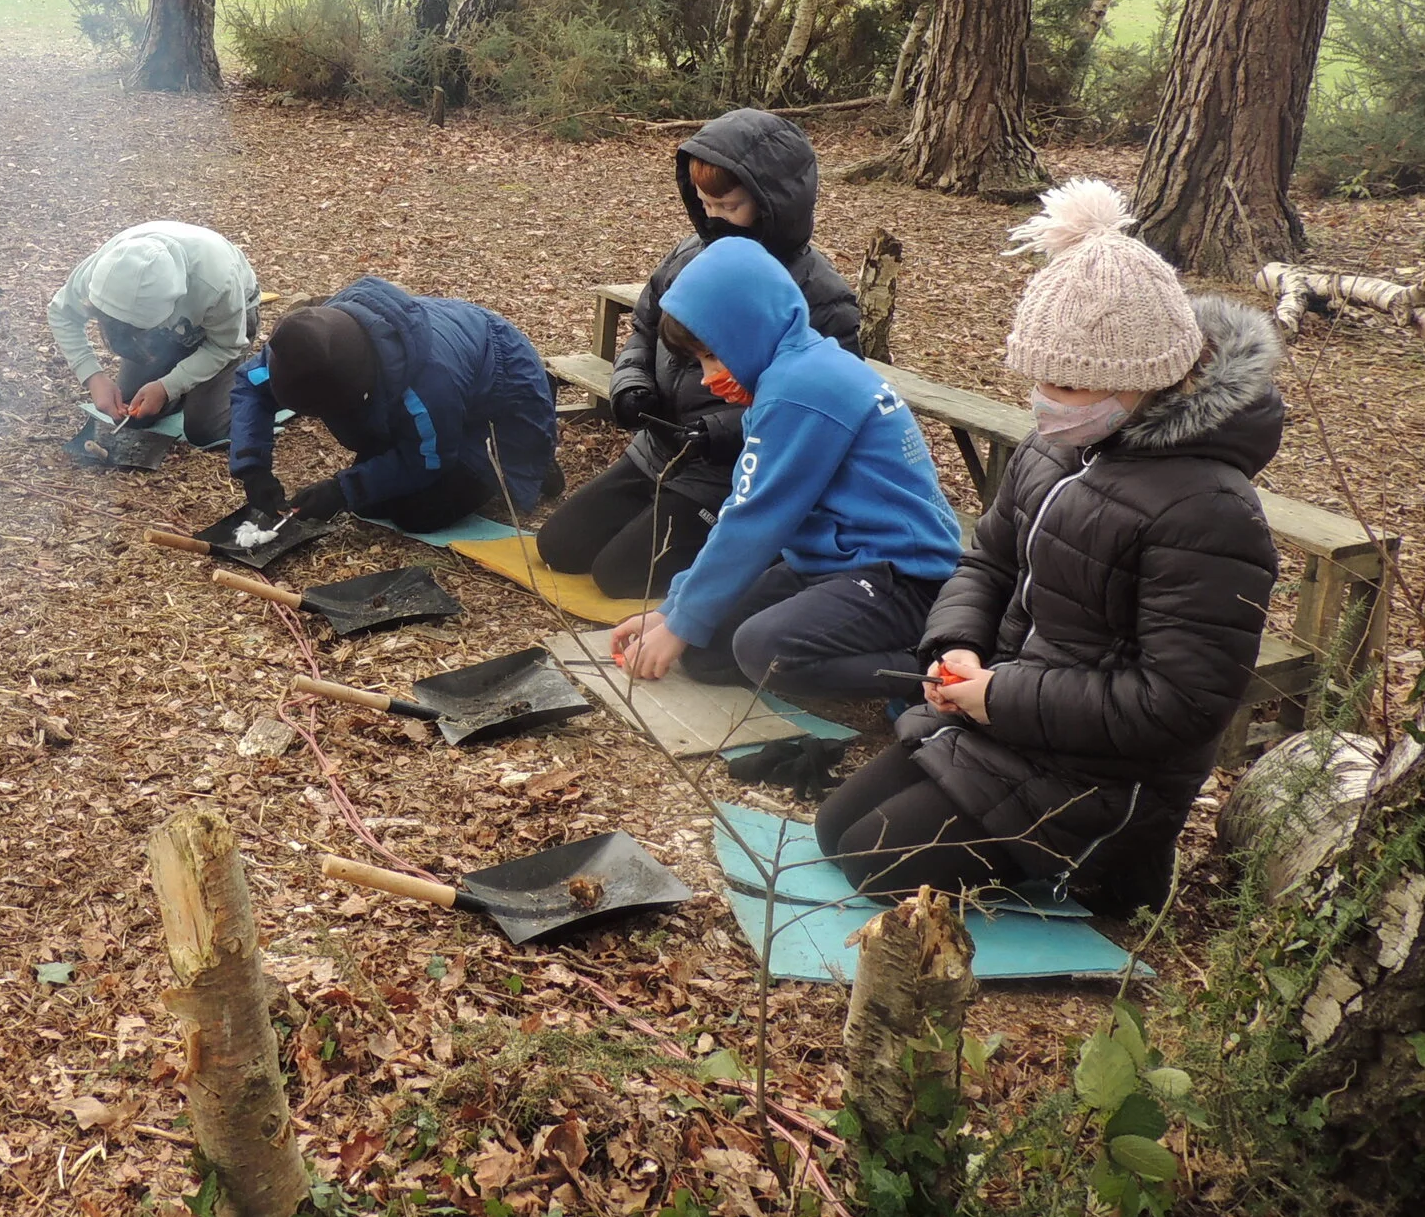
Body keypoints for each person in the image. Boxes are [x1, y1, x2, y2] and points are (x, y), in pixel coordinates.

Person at [815, 180, 1282, 915]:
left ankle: (1117, 873)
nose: (1045, 399)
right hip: (1005, 725)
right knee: (834, 830)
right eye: (1040, 376)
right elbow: (988, 560)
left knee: (874, 860)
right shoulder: (1057, 447)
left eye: (1067, 383)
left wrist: (999, 697)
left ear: (1143, 380)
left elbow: (1179, 703)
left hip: (1101, 778)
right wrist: (958, 645)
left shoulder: (1212, 512)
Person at [607, 238, 961, 696]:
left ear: (749, 329)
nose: (708, 378)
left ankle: (927, 669)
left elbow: (754, 519)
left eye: (713, 355)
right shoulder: (790, 371)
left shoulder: (801, 388)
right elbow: (743, 506)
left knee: (763, 651)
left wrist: (678, 625)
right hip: (831, 561)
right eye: (699, 362)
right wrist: (672, 612)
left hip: (901, 576)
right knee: (707, 651)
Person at [541, 108, 862, 599]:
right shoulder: (691, 254)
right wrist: (631, 384)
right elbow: (646, 329)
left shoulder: (819, 294)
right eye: (705, 202)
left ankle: (766, 549)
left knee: (617, 575)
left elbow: (824, 407)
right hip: (660, 449)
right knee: (559, 547)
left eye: (728, 205)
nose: (713, 216)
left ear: (773, 202)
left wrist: (720, 433)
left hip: (731, 472)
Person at [230, 278, 560, 533]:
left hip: (505, 396)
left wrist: (342, 490)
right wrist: (253, 469)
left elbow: (428, 459)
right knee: (371, 504)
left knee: (417, 514)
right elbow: (250, 387)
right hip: (447, 376)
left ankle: (535, 455)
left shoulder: (429, 387)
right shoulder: (305, 344)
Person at [47, 221, 259, 448]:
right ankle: (190, 386)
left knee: (206, 430)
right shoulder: (104, 270)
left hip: (228, 325)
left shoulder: (217, 282)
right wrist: (93, 377)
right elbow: (61, 313)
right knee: (132, 412)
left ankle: (255, 380)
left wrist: (168, 387)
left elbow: (225, 345)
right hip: (172, 333)